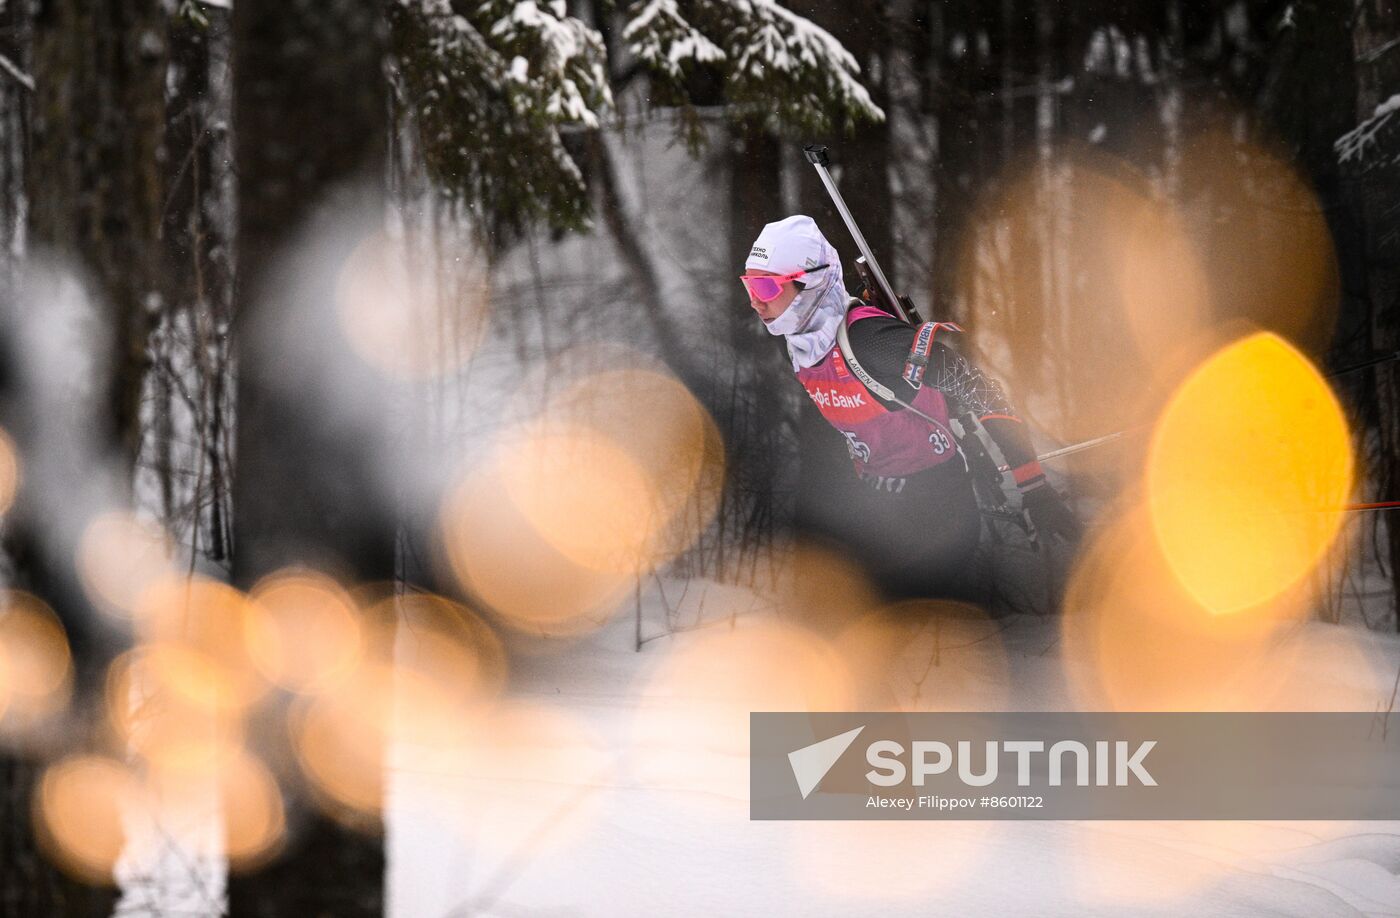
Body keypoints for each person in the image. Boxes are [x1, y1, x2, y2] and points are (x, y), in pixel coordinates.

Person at [742, 214, 1079, 601]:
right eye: (748, 285)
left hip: (937, 516)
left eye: (766, 286)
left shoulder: (870, 340)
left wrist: (1032, 484)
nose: (754, 301)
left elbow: (978, 389)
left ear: (811, 282)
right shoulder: (803, 343)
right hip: (880, 510)